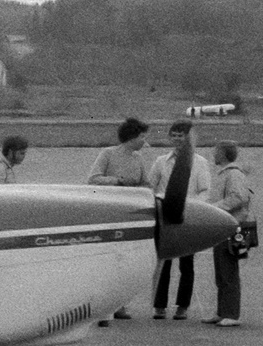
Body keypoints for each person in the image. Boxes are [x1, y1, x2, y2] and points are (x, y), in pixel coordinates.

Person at [148, 120, 211, 320]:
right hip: (165, 216)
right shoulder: (161, 161)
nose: (177, 139)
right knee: (163, 263)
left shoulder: (199, 162)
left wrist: (191, 207)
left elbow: (205, 190)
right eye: (174, 135)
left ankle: (182, 306)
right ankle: (159, 306)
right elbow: (151, 186)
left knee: (187, 264)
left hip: (187, 216)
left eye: (181, 135)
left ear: (188, 137)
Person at [89, 118, 150, 323]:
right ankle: (104, 310)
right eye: (142, 136)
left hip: (131, 217)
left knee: (126, 263)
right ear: (132, 137)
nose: (144, 141)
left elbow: (145, 183)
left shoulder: (139, 158)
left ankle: (120, 305)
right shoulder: (107, 154)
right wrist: (118, 182)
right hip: (109, 216)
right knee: (108, 262)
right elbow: (94, 179)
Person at [205, 141, 251, 327]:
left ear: (223, 154)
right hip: (222, 226)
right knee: (221, 271)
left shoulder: (233, 174)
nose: (213, 154)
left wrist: (213, 209)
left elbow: (238, 197)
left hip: (231, 226)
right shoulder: (226, 173)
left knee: (228, 270)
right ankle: (222, 311)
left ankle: (232, 313)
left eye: (216, 151)